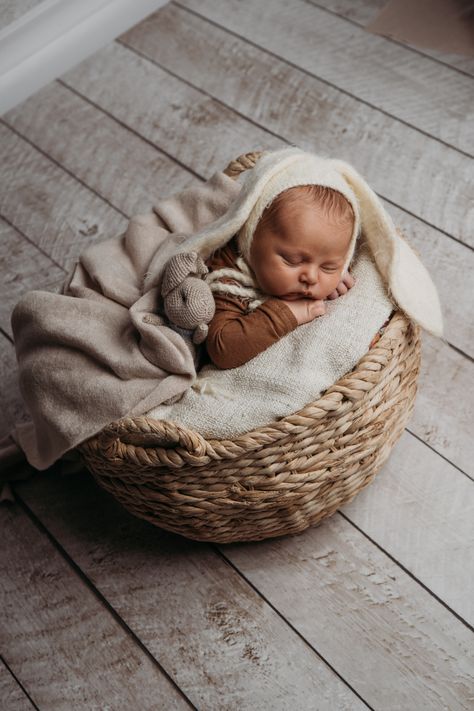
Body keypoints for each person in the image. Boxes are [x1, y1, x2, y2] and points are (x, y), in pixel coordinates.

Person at [204, 184, 356, 369]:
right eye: (292, 260)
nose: (311, 277)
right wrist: (285, 313)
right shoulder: (230, 277)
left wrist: (337, 273)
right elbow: (222, 350)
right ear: (250, 239)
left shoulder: (323, 264)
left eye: (328, 266)